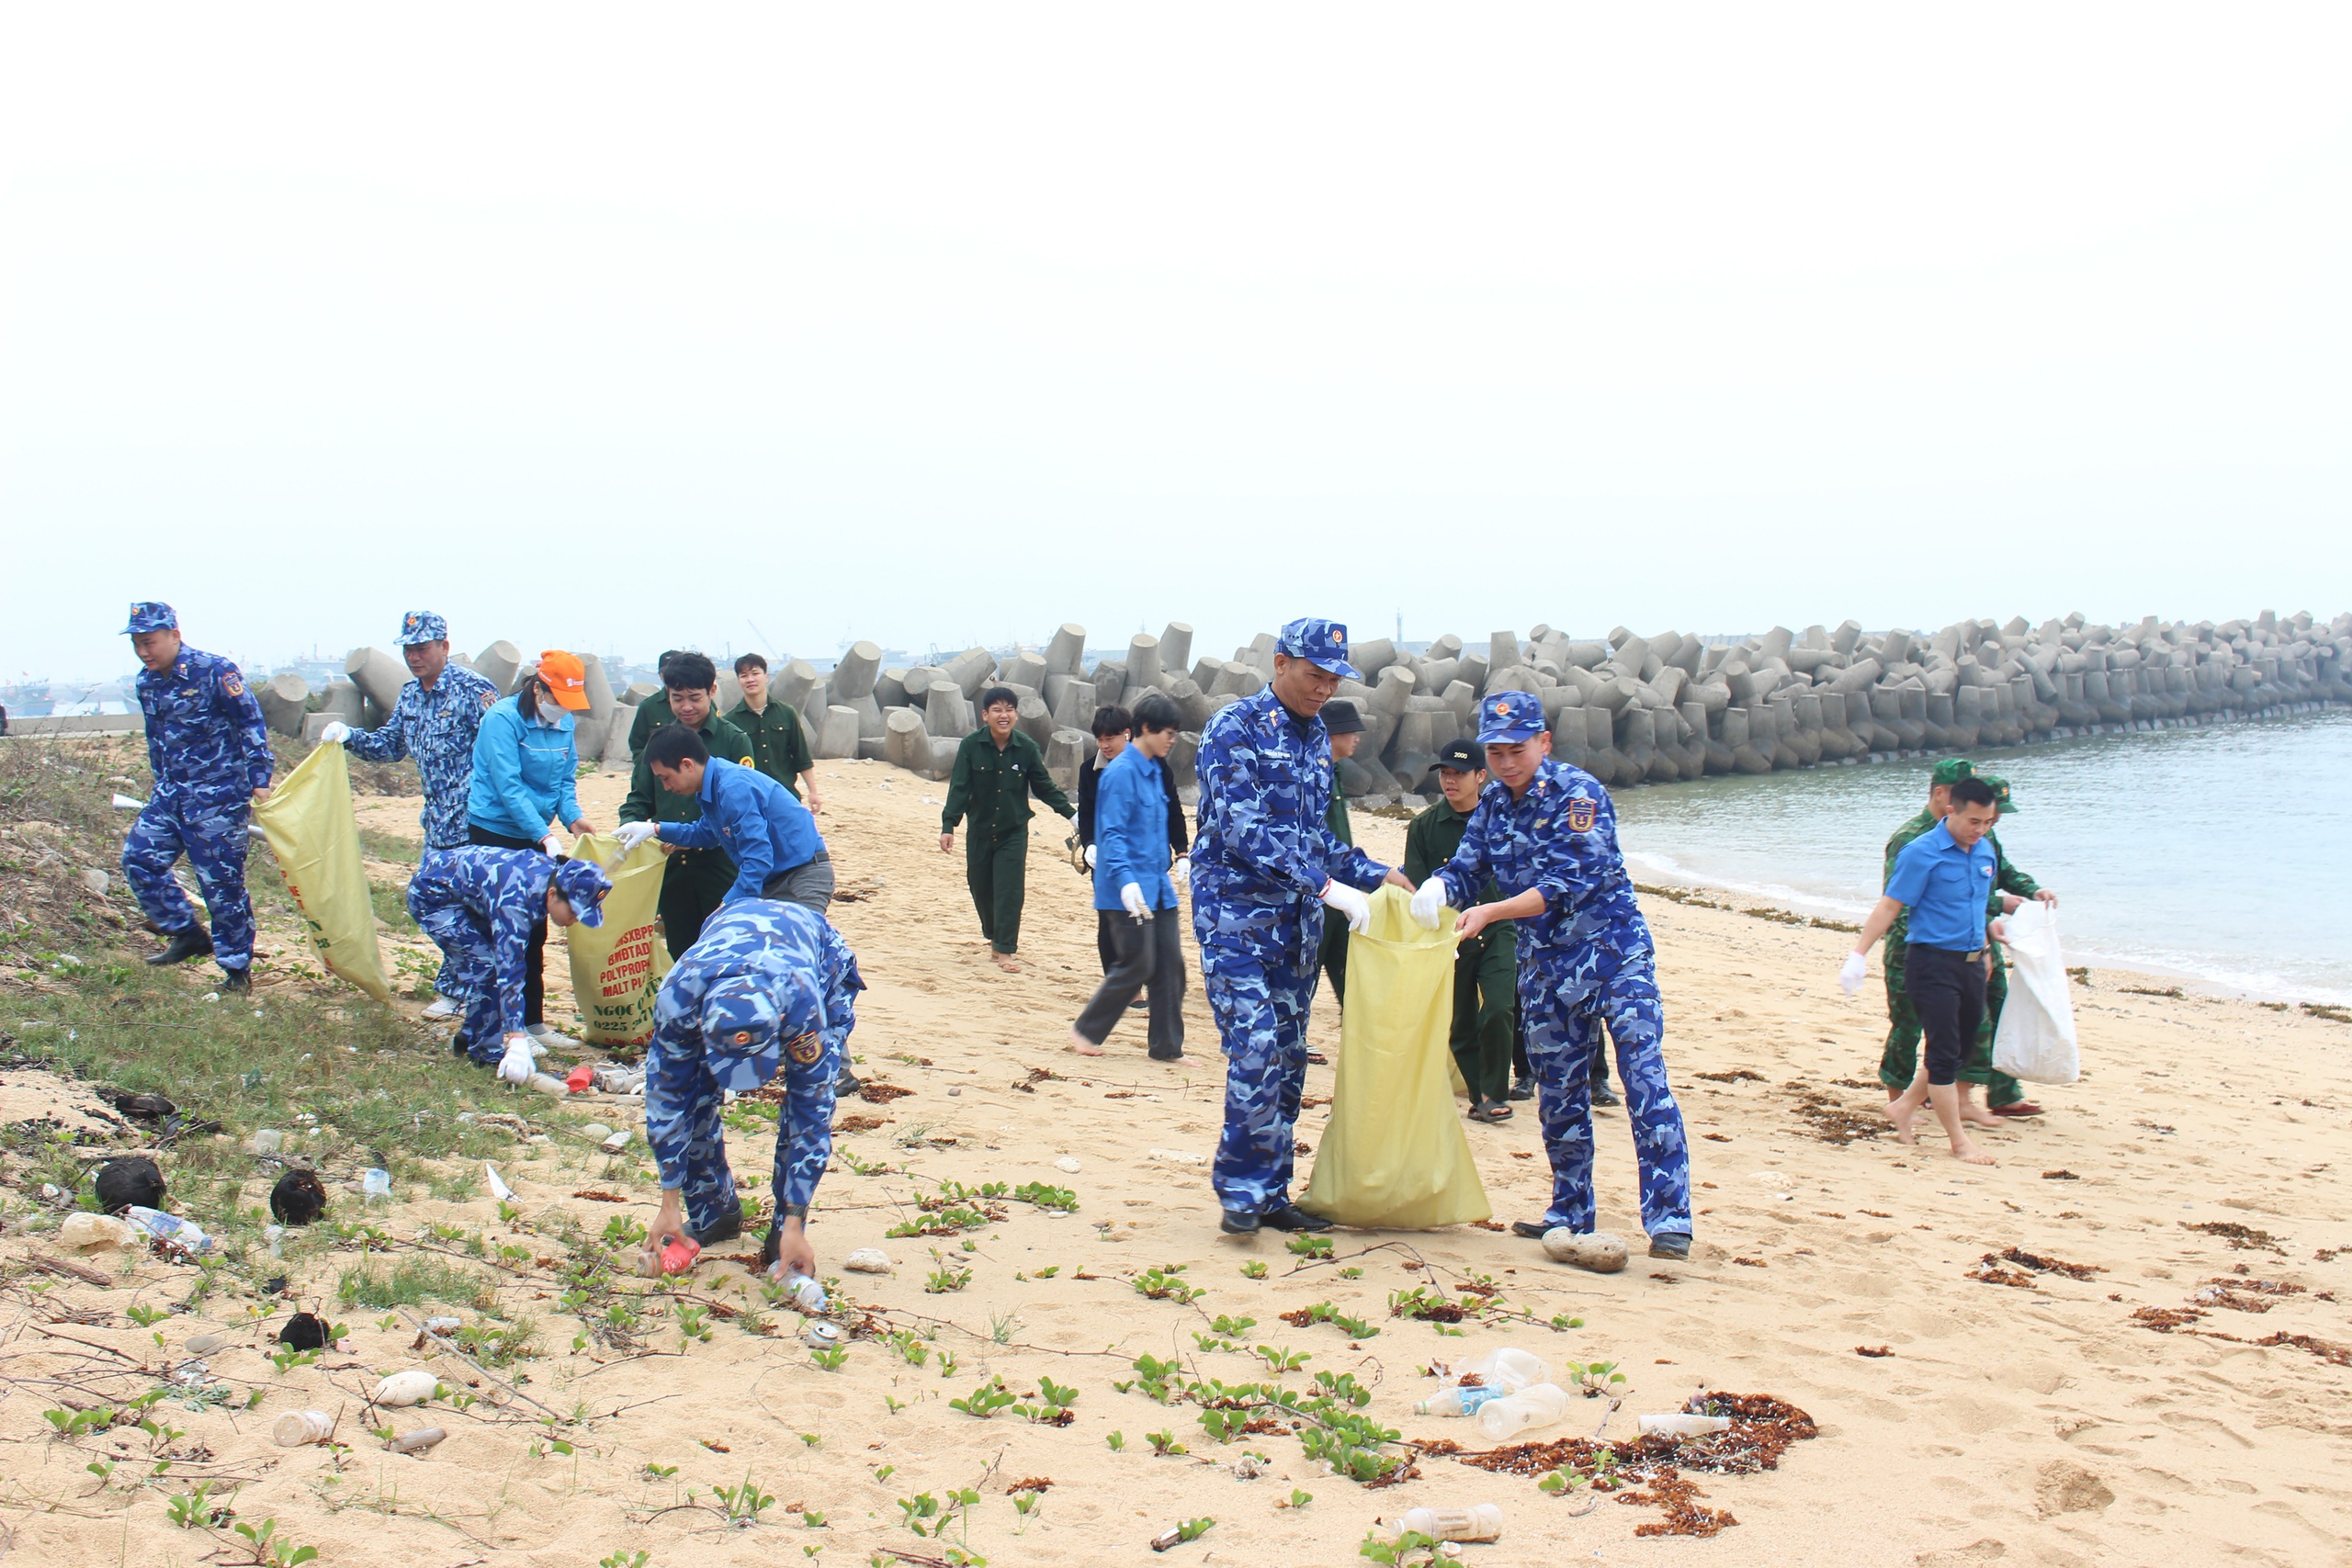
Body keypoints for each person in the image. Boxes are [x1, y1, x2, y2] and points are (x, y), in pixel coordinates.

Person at [1410, 692, 1693, 1261]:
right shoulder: (1492, 807)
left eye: (1517, 749)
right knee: (1559, 1092)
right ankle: (1569, 1210)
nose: (1506, 762)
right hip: (1546, 966)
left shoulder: (1578, 795)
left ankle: (1669, 1219)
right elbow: (1470, 866)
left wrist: (1490, 911)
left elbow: (1566, 884)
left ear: (1543, 742)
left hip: (1614, 957)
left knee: (1643, 1078)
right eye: (1495, 752)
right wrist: (1437, 890)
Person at [1193, 618, 1410, 1235]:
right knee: (1256, 1045)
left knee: (1289, 1058)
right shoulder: (1233, 729)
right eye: (1315, 675)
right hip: (1235, 919)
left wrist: (1374, 874)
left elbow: (1316, 840)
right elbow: (1241, 827)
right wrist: (1327, 887)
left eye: (1334, 679)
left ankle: (1272, 1191)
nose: (1324, 689)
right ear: (1281, 662)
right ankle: (1239, 1191)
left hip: (1296, 929)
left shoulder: (1316, 739)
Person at [639, 899, 865, 1274]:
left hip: (819, 956)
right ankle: (714, 1211)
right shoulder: (678, 1001)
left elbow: (811, 1112)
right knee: (693, 1095)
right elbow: (668, 1099)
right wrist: (668, 1203)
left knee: (802, 1106)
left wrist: (793, 1219)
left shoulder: (803, 1007)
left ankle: (786, 1232)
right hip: (728, 934)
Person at [323, 612, 499, 1020]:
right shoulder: (410, 695)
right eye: (408, 649)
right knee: (436, 909)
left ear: (444, 647)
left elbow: (502, 751)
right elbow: (392, 745)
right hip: (438, 823)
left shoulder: (475, 690)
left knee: (472, 912)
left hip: (477, 823)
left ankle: (468, 993)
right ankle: (459, 989)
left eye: (422, 648)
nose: (415, 657)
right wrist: (350, 738)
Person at [1839, 776, 2023, 1166]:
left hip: (1974, 963)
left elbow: (1974, 903)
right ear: (1952, 809)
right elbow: (1890, 906)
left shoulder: (1984, 851)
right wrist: (1858, 954)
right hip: (1932, 963)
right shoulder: (1920, 852)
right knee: (1942, 1054)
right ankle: (1959, 1143)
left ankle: (1905, 1105)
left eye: (1988, 822)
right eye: (1975, 821)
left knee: (1961, 1049)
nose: (1981, 830)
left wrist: (1989, 940)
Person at [119, 603, 274, 992]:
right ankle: (186, 932)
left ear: (174, 635)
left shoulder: (215, 671)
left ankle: (236, 970)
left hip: (217, 797)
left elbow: (249, 721)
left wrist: (259, 778)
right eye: (137, 644)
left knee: (221, 886)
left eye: (150, 642)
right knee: (139, 858)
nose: (144, 651)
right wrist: (159, 781)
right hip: (171, 795)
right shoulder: (146, 682)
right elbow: (156, 737)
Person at [465, 652, 596, 1042]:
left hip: (539, 833)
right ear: (538, 688)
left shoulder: (563, 721)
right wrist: (543, 835)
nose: (562, 711)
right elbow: (509, 787)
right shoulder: (502, 720)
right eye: (556, 699)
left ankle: (533, 1023)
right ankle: (492, 1027)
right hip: (497, 832)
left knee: (535, 930)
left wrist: (573, 818)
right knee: (499, 929)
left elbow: (564, 780)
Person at [406, 850, 612, 1082]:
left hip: (469, 896)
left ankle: (470, 1036)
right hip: (433, 896)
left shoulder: (550, 880)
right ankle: (485, 1053)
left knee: (488, 968)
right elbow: (510, 971)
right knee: (486, 967)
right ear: (553, 895)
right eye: (574, 911)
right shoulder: (516, 901)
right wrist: (517, 1038)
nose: (575, 920)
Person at [1068, 692, 1188, 1062]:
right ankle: (1087, 1030)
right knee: (1138, 963)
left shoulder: (1154, 770)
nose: (1172, 740)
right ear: (1146, 729)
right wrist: (1125, 880)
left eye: (1175, 733)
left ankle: (1167, 1047)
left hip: (1158, 886)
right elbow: (1112, 833)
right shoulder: (1120, 773)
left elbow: (1165, 819)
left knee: (1171, 966)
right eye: (1167, 732)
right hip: (1124, 889)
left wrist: (1183, 855)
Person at [1404, 739, 1520, 1122]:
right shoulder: (1423, 826)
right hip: (1450, 936)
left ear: (1481, 776)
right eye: (1445, 774)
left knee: (1500, 1008)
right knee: (1461, 1023)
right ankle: (1480, 1097)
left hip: (1499, 926)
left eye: (1459, 774)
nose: (1450, 781)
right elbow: (1418, 887)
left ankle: (1495, 1090)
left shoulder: (1500, 819)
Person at [618, 653, 757, 960]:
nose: (686, 707)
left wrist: (691, 836)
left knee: (727, 954)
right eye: (676, 698)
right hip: (671, 873)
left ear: (712, 691)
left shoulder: (734, 741)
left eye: (694, 697)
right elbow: (638, 799)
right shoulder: (658, 745)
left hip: (720, 868)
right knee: (681, 957)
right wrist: (631, 829)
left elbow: (746, 815)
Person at [617, 724, 833, 912]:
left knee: (793, 951)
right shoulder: (711, 786)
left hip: (801, 877)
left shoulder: (732, 788)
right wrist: (655, 829)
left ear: (687, 765)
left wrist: (728, 905)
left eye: (666, 778)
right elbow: (706, 833)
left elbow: (758, 858)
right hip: (773, 880)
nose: (665, 787)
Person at [939, 686, 1076, 974]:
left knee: (1009, 891)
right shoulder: (971, 746)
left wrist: (1072, 816)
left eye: (1009, 709)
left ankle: (1004, 950)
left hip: (1013, 832)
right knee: (980, 887)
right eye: (997, 710)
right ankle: (993, 934)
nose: (1004, 715)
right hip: (979, 829)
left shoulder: (1026, 748)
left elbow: (1044, 787)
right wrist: (949, 824)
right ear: (985, 715)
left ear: (1016, 714)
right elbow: (960, 787)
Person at [1875, 759, 1979, 1112]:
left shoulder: (1973, 840)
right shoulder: (1911, 839)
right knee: (1906, 1028)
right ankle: (1897, 1098)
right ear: (1941, 794)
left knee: (1952, 1033)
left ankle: (1934, 1098)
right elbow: (1896, 903)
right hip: (1911, 952)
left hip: (1954, 956)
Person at [1079, 704, 1190, 986]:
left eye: (1110, 738)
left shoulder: (1155, 767)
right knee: (1112, 926)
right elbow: (1089, 813)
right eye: (1100, 740)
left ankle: (1142, 984)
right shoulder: (1093, 770)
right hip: (1111, 862)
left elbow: (1171, 810)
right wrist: (1090, 843)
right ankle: (1125, 988)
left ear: (1127, 734)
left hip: (1151, 865)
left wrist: (1182, 851)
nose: (1104, 745)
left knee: (1156, 940)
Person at [1973, 774, 2058, 1117]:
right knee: (1960, 1018)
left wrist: (2034, 890)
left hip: (1985, 935)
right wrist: (1999, 905)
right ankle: (1939, 1092)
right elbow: (1960, 894)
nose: (1995, 820)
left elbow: (2003, 872)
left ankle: (2004, 1094)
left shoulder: (1988, 835)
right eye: (1991, 813)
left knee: (1999, 1008)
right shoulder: (1948, 836)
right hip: (1958, 938)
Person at [1314, 700, 1367, 1006]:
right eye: (1350, 730)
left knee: (1351, 976)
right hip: (1319, 891)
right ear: (1333, 733)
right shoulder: (1316, 775)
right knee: (1306, 972)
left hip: (1342, 890)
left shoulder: (1334, 772)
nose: (1356, 737)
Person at [728, 653, 823, 812]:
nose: (750, 679)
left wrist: (813, 792)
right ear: (739, 681)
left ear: (766, 677)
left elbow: (801, 757)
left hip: (785, 796)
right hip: (749, 801)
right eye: (744, 675)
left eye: (755, 673)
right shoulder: (730, 721)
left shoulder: (787, 713)